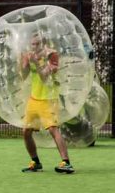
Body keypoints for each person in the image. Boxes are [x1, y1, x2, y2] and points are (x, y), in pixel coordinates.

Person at [19, 33, 74, 174]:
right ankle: (35, 162)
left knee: (52, 129)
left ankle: (66, 163)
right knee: (26, 132)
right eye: (32, 44)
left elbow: (44, 77)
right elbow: (24, 76)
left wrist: (36, 63)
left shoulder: (52, 55)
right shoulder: (30, 55)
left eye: (37, 44)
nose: (34, 47)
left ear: (43, 44)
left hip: (49, 99)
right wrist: (23, 63)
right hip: (34, 99)